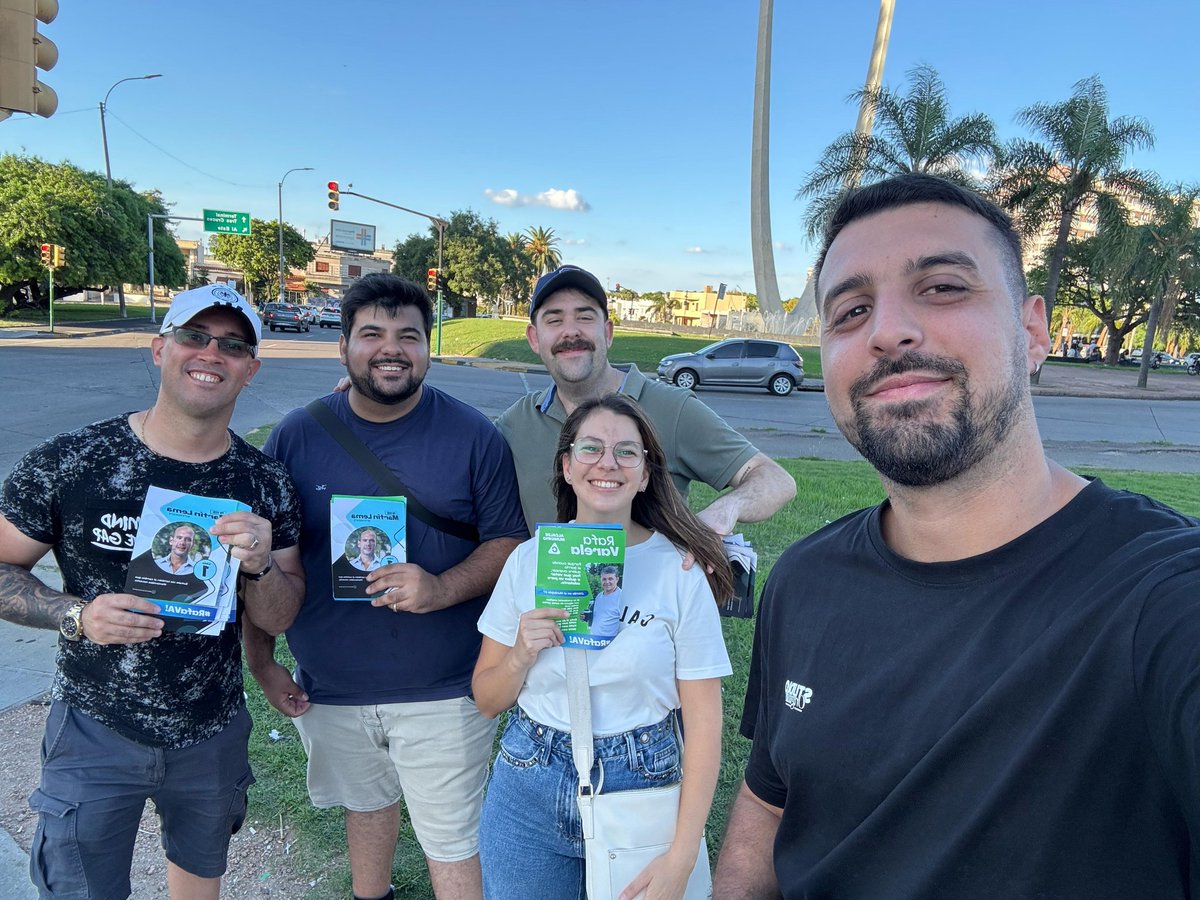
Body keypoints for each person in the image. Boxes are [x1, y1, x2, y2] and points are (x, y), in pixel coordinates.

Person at [712, 174, 1200, 899]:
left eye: (941, 287)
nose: (886, 331)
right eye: (850, 310)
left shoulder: (1159, 597)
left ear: (1033, 331)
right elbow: (768, 798)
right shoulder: (804, 580)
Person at [0, 283, 304, 900]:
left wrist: (261, 567)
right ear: (160, 347)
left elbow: (283, 611)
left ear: (251, 368)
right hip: (93, 724)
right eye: (194, 336)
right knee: (80, 888)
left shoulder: (265, 481)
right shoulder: (73, 460)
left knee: (199, 882)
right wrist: (76, 613)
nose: (211, 353)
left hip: (210, 729)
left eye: (232, 344)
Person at [244, 272, 528, 900]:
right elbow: (261, 559)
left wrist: (440, 588)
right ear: (342, 346)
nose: (390, 347)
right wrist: (261, 663)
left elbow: (507, 542)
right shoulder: (296, 435)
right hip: (333, 683)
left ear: (430, 347)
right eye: (371, 333)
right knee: (366, 811)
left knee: (452, 842)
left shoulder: (475, 435)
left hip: (446, 687)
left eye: (409, 335)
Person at [473, 393, 735, 900]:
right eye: (590, 448)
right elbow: (486, 699)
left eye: (627, 452)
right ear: (567, 466)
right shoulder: (527, 562)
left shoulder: (680, 572)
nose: (608, 463)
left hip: (639, 775)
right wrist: (522, 654)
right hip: (529, 775)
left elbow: (704, 725)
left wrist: (682, 857)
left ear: (645, 475)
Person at [495, 265, 796, 535]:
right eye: (554, 320)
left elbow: (774, 479)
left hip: (658, 595)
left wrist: (724, 510)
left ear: (608, 332)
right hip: (549, 597)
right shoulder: (515, 425)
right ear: (534, 338)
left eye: (585, 317)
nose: (571, 331)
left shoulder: (672, 409)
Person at [586, 564, 623, 637]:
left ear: (617, 579)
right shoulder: (599, 596)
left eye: (610, 579)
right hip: (594, 639)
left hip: (610, 643)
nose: (607, 582)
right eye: (604, 579)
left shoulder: (622, 597)